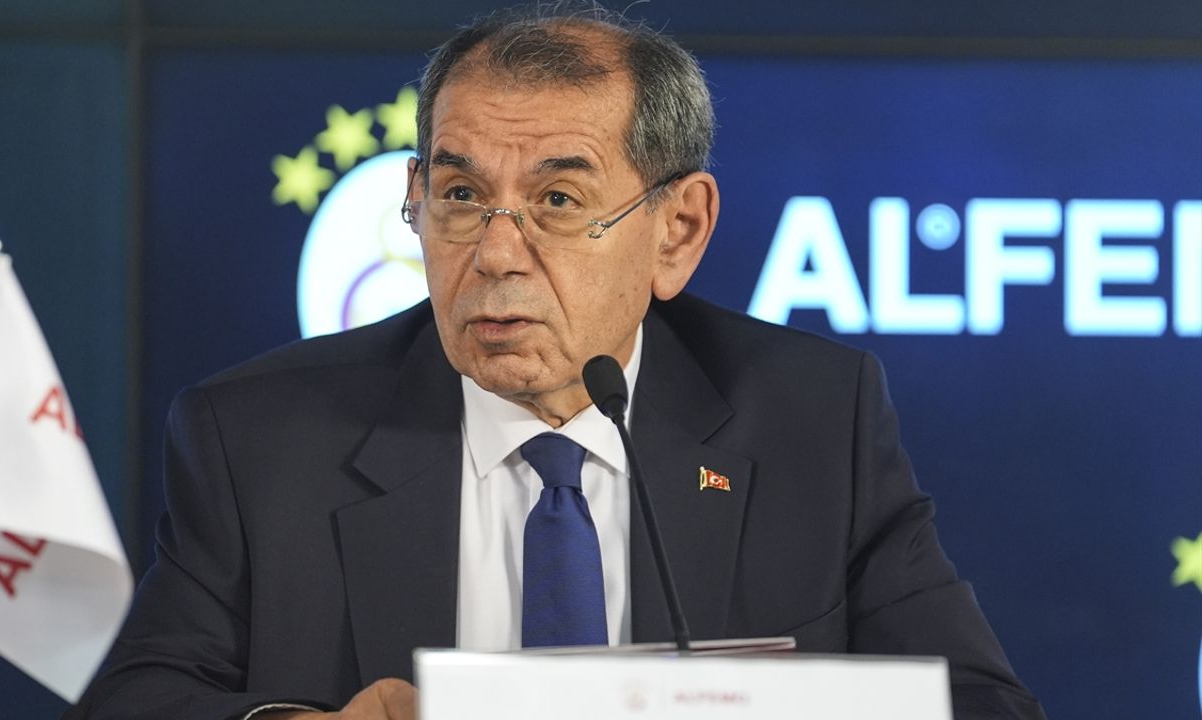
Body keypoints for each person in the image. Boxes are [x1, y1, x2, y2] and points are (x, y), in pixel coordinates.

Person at [70, 4, 1045, 719]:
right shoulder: (261, 437)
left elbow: (980, 704)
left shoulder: (809, 420)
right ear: (415, 199)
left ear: (676, 230)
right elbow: (138, 700)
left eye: (558, 202)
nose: (496, 252)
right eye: (460, 195)